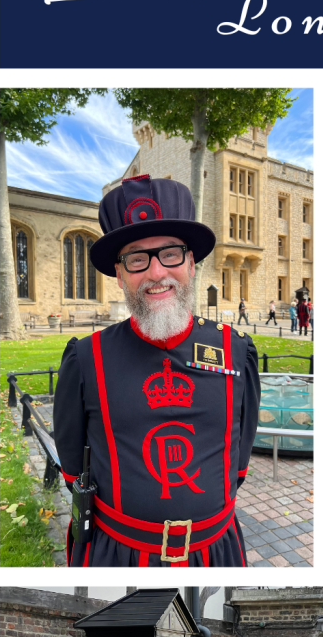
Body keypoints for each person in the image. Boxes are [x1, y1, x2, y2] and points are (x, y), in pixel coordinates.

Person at [53, 174, 260, 566]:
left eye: (170, 253)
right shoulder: (86, 359)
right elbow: (72, 469)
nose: (156, 273)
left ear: (192, 263)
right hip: (119, 555)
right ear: (119, 274)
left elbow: (239, 462)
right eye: (136, 258)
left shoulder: (235, 351)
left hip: (214, 554)